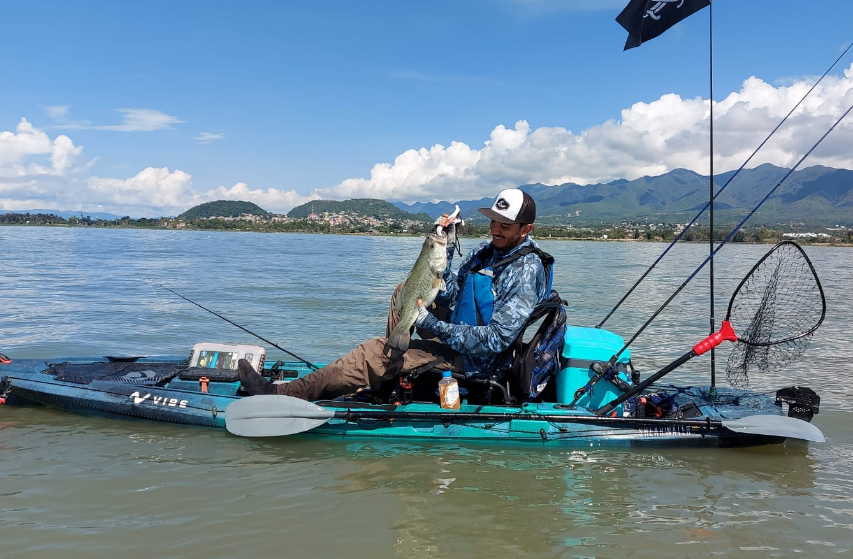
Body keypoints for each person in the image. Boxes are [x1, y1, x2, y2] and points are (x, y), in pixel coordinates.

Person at [238, 188, 554, 402]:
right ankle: (392, 368)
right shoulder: (490, 250)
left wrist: (432, 323)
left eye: (505, 226)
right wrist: (446, 246)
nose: (496, 230)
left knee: (372, 352)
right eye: (493, 221)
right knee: (404, 292)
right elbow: (456, 296)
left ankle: (281, 394)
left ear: (526, 229)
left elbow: (496, 340)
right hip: (458, 333)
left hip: (476, 362)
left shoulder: (524, 270)